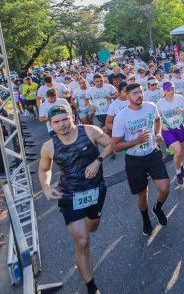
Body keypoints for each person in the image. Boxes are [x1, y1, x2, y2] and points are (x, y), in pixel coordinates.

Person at [38, 104, 113, 294]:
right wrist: (46, 187)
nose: (62, 124)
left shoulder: (89, 131)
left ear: (72, 117)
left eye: (65, 119)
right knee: (83, 241)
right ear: (51, 124)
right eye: (56, 122)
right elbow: (44, 169)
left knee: (92, 227)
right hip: (70, 195)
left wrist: (98, 161)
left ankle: (82, 241)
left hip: (95, 190)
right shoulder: (49, 147)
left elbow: (110, 144)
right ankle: (91, 286)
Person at [112, 83, 170, 236]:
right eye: (135, 93)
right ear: (127, 96)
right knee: (142, 194)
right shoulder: (121, 117)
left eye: (141, 92)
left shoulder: (151, 106)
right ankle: (145, 219)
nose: (139, 95)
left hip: (153, 153)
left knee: (164, 188)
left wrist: (158, 133)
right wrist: (135, 142)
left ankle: (157, 208)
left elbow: (157, 120)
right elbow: (116, 146)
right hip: (134, 160)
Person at [156, 81, 184, 189]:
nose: (172, 91)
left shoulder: (180, 98)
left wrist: (183, 111)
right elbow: (157, 118)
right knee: (178, 151)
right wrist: (161, 125)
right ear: (164, 91)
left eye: (173, 88)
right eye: (169, 89)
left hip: (179, 128)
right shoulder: (160, 103)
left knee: (181, 150)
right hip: (168, 130)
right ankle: (178, 174)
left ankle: (181, 165)